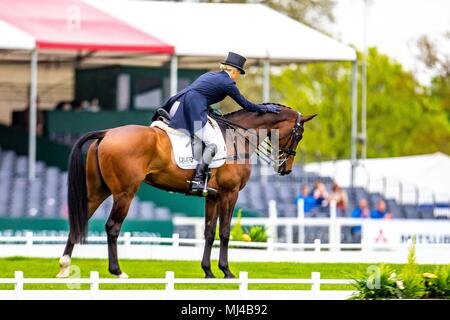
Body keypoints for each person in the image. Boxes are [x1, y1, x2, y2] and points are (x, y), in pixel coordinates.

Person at [156, 52, 281, 196]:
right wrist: (265, 108)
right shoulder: (228, 83)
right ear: (234, 71)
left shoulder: (211, 75)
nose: (238, 76)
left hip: (179, 102)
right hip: (193, 108)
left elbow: (201, 93)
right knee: (213, 143)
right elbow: (246, 105)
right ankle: (198, 179)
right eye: (239, 73)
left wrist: (209, 109)